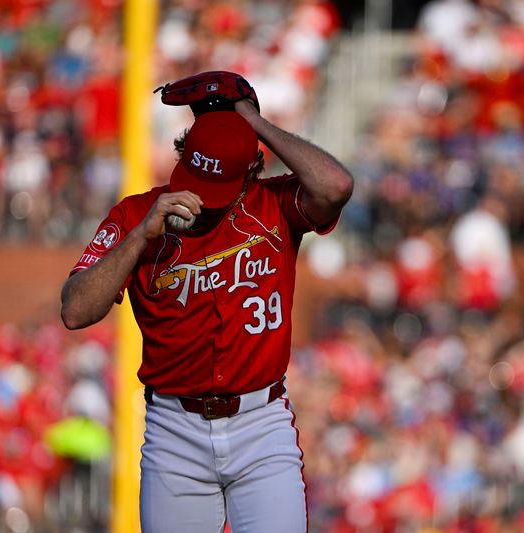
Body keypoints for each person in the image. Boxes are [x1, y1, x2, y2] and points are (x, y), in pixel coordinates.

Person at [60, 71, 353, 533]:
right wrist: (140, 238)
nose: (201, 197)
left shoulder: (274, 204)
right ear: (181, 157)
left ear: (251, 171)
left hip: (261, 425)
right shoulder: (138, 214)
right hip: (174, 430)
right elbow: (75, 310)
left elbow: (336, 186)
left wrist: (253, 123)